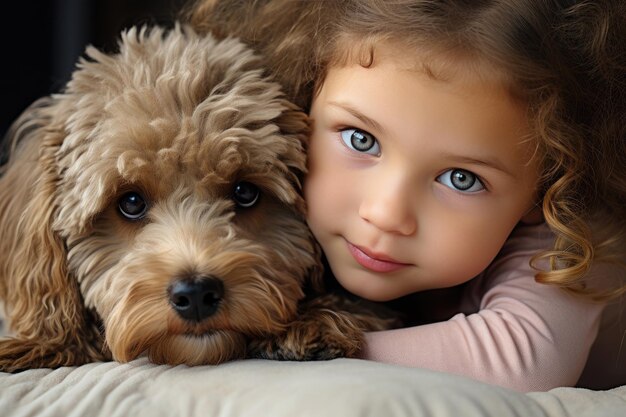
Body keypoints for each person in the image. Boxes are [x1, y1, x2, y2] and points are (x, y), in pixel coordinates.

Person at [186, 0, 626, 392]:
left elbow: (528, 363)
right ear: (306, 98)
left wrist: (295, 350)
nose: (385, 213)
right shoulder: (276, 195)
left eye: (460, 178)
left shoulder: (575, 241)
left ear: (546, 187)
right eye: (360, 140)